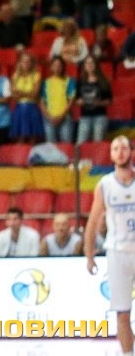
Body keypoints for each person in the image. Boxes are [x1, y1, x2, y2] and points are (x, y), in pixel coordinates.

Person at [86, 136, 135, 356]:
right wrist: (89, 255)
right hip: (117, 253)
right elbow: (93, 221)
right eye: (116, 149)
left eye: (124, 148)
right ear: (111, 155)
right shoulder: (105, 185)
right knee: (122, 313)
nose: (120, 152)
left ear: (131, 152)